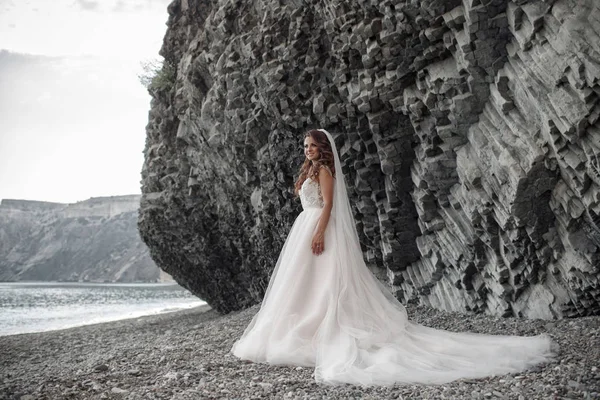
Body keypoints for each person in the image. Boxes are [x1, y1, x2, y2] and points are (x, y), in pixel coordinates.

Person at [230, 128, 557, 386]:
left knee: (322, 281)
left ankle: (320, 329)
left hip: (317, 226)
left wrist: (318, 232)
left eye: (313, 146)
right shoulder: (311, 170)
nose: (308, 151)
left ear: (323, 149)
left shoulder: (326, 171)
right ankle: (302, 328)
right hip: (305, 226)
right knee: (302, 282)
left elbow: (328, 205)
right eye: (305, 147)